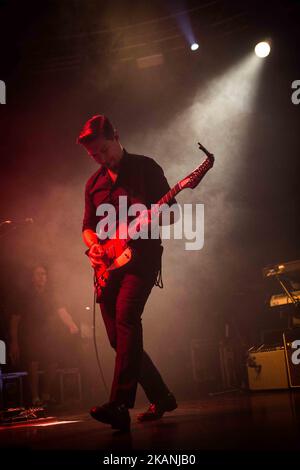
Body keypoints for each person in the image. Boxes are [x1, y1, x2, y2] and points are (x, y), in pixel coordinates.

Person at [78, 114, 178, 431]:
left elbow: (173, 214)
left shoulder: (146, 168)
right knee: (118, 340)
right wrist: (93, 246)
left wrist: (154, 218)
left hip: (142, 259)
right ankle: (161, 396)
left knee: (126, 318)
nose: (101, 158)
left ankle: (120, 404)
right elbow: (87, 228)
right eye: (94, 155)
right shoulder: (93, 184)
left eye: (104, 150)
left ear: (116, 137)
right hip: (108, 265)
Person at [9, 264, 79, 405]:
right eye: (38, 274)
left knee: (52, 363)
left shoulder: (51, 294)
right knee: (33, 364)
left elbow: (62, 312)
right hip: (31, 335)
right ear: (32, 278)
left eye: (44, 274)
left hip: (48, 335)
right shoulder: (25, 296)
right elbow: (15, 320)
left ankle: (46, 394)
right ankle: (35, 397)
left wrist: (71, 324)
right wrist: (14, 342)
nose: (42, 277)